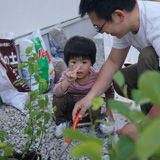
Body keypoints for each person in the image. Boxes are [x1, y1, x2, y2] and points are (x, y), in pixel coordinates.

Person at [72, 0, 160, 141]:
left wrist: (142, 127)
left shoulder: (156, 23)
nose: (102, 32)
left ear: (119, 15)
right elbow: (113, 63)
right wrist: (89, 97)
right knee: (122, 80)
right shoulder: (127, 24)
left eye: (99, 28)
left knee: (147, 57)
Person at [53, 35, 115, 138]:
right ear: (67, 62)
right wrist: (68, 81)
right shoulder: (66, 75)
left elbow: (109, 91)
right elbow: (56, 93)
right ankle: (61, 122)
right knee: (59, 98)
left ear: (92, 62)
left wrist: (109, 110)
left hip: (89, 112)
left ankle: (101, 120)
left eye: (84, 62)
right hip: (71, 111)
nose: (79, 67)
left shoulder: (96, 76)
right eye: (73, 62)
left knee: (96, 101)